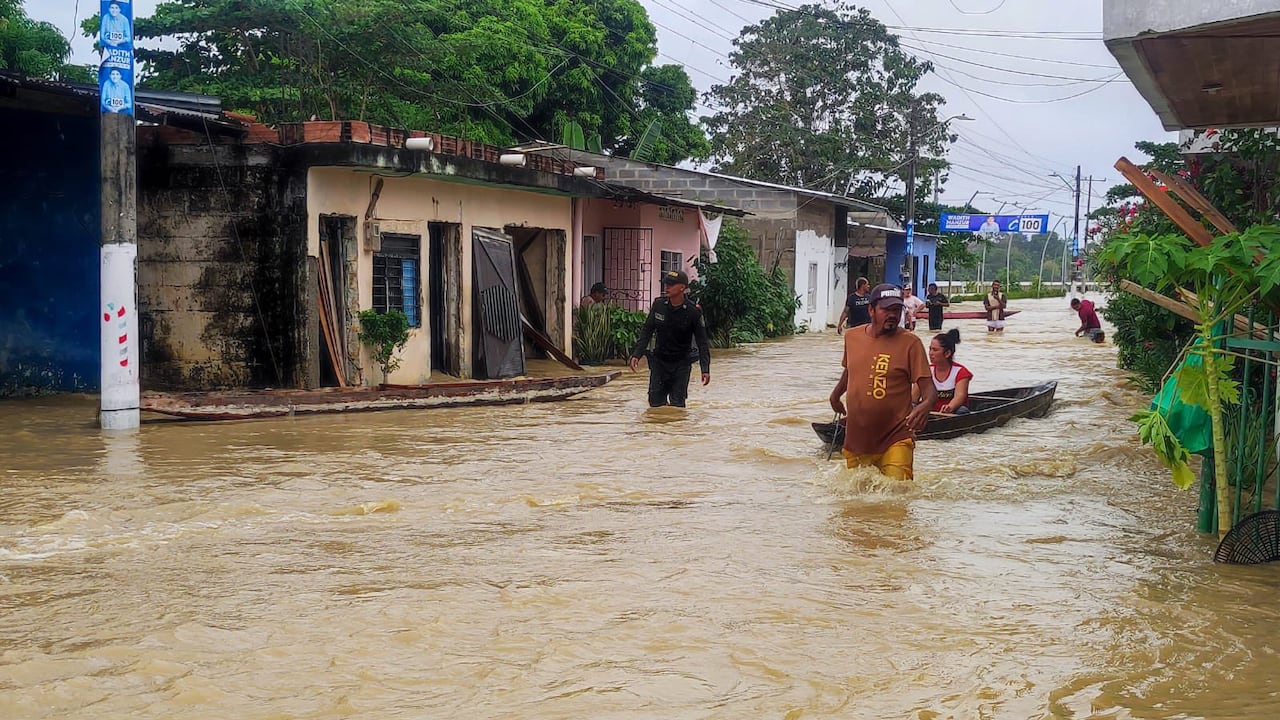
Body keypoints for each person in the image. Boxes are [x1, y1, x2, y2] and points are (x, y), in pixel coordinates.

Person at [828, 283, 936, 480]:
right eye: (886, 309)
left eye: (897, 310)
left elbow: (929, 389)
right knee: (854, 505)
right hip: (858, 439)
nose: (893, 315)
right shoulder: (852, 337)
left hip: (896, 436)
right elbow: (850, 370)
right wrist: (836, 395)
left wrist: (926, 405)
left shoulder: (910, 343)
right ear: (871, 310)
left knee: (896, 499)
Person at [629, 270, 711, 407]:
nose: (667, 287)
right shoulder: (659, 305)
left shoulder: (693, 311)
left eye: (671, 284)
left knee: (677, 405)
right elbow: (647, 330)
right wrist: (637, 354)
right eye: (666, 284)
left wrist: (705, 369)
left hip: (681, 364)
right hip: (660, 362)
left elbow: (702, 342)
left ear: (682, 288)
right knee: (655, 403)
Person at [929, 328, 972, 414]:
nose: (930, 353)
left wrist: (949, 408)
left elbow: (960, 396)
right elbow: (914, 398)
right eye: (930, 349)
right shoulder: (926, 370)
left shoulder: (961, 372)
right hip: (930, 412)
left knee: (962, 410)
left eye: (935, 350)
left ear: (947, 353)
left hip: (952, 412)